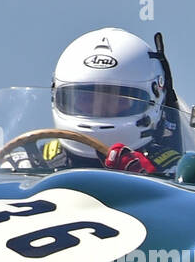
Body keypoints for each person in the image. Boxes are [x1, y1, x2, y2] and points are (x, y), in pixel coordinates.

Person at [45, 28, 185, 175]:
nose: (99, 108)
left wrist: (150, 180)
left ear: (155, 98)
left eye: (118, 101)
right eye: (86, 99)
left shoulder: (176, 172)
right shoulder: (31, 161)